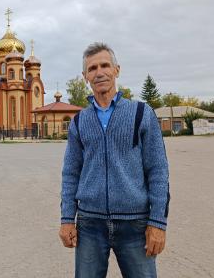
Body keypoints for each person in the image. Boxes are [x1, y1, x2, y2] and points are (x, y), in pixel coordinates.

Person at [59, 43, 170, 278]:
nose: (99, 72)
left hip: (135, 225)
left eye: (104, 65)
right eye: (92, 68)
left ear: (116, 70)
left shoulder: (141, 113)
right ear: (85, 76)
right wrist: (67, 219)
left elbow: (158, 170)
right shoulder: (79, 121)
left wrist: (157, 223)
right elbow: (71, 173)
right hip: (90, 224)